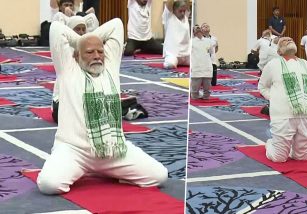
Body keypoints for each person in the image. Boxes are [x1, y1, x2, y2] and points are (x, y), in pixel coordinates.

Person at [37, 18, 168, 194]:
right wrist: (82, 41)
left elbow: (117, 25)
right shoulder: (69, 69)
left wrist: (90, 39)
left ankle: (107, 170)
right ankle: (82, 169)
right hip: (75, 151)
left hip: (112, 149)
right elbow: (56, 29)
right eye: (90, 52)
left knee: (159, 176)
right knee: (49, 184)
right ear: (76, 55)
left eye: (100, 51)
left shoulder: (110, 67)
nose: (97, 56)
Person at [258, 37, 307, 162]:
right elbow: (262, 86)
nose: (288, 40)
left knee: (303, 157)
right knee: (279, 158)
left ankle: (288, 147)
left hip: (306, 114)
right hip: (283, 115)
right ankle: (270, 144)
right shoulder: (273, 64)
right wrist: (274, 99)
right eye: (284, 41)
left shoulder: (306, 64)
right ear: (279, 51)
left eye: (291, 39)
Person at [162, 0, 191, 69]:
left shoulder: (186, 17)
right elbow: (169, 3)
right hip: (173, 54)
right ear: (174, 10)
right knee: (170, 64)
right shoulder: (169, 16)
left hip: (187, 55)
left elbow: (187, 3)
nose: (183, 13)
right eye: (180, 11)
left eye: (184, 11)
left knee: (200, 63)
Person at [190, 25, 213, 100]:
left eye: (199, 28)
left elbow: (211, 52)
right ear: (194, 32)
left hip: (207, 67)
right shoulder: (191, 42)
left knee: (207, 89)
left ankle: (206, 98)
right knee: (194, 91)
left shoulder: (208, 41)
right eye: (196, 28)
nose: (198, 29)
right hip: (196, 68)